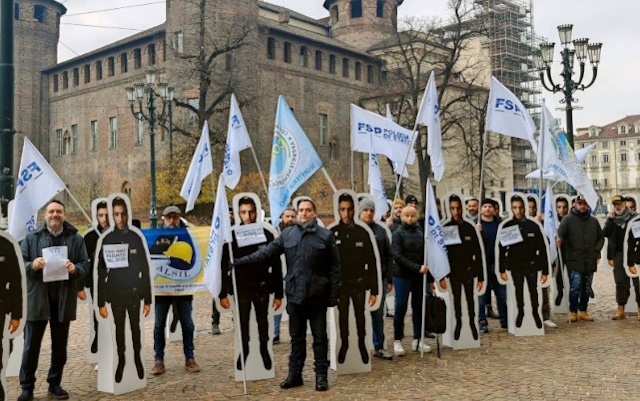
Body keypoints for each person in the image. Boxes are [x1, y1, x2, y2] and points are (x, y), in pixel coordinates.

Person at [233, 199, 340, 391]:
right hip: (295, 295)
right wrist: (240, 262)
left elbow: (334, 268)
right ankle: (295, 375)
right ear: (297, 213)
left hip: (318, 295)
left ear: (314, 213)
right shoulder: (288, 234)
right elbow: (266, 253)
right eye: (301, 210)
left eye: (308, 210)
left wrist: (333, 295)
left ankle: (321, 377)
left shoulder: (326, 236)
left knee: (319, 339)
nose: (304, 213)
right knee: (296, 338)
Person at [19, 200, 88, 401]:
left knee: (60, 345)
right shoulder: (31, 238)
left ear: (64, 215)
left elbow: (86, 263)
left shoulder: (75, 239)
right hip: (37, 299)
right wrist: (32, 265)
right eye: (51, 211)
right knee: (31, 345)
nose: (55, 214)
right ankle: (27, 387)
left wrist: (76, 269)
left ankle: (55, 383)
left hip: (63, 299)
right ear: (45, 215)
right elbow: (20, 264)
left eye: (58, 211)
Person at [219, 196, 283, 371]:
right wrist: (222, 293)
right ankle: (244, 351)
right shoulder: (230, 236)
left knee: (263, 323)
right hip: (241, 288)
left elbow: (276, 266)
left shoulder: (267, 234)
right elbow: (223, 266)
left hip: (262, 287)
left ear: (257, 212)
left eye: (251, 212)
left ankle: (264, 350)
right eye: (243, 212)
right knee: (242, 323)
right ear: (238, 214)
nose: (247, 216)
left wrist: (279, 294)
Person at [96, 197, 153, 383]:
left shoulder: (135, 238)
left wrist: (148, 299)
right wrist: (100, 302)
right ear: (113, 216)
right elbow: (100, 271)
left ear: (127, 214)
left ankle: (137, 358)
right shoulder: (107, 239)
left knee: (135, 328)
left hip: (134, 293)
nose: (120, 218)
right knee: (119, 330)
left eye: (122, 214)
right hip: (115, 294)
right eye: (116, 214)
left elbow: (145, 269)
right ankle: (121, 361)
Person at [152, 206, 200, 375]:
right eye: (168, 218)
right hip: (162, 290)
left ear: (179, 218)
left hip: (183, 287)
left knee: (187, 324)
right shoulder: (157, 235)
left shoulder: (188, 235)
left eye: (175, 217)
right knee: (159, 325)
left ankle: (190, 357)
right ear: (163, 219)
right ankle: (159, 360)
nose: (172, 221)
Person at [331, 194, 379, 365]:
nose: (346, 213)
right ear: (338, 210)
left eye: (349, 209)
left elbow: (372, 263)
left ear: (354, 210)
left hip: (358, 284)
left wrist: (374, 291)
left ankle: (361, 345)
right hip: (341, 286)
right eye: (343, 209)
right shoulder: (332, 233)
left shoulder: (362, 233)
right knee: (342, 318)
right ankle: (344, 345)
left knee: (360, 317)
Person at [498, 196, 548, 329]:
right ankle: (520, 312)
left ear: (524, 207)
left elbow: (542, 249)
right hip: (515, 266)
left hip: (531, 265)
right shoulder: (507, 226)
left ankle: (535, 313)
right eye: (515, 207)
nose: (518, 210)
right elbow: (501, 250)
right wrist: (501, 269)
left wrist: (545, 271)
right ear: (511, 208)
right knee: (518, 291)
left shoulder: (533, 225)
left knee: (534, 291)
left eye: (520, 207)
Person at [440, 195, 484, 340]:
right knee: (457, 299)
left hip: (468, 271)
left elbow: (478, 253)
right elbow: (440, 254)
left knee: (470, 299)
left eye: (458, 208)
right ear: (449, 209)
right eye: (453, 208)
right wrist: (440, 276)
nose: (456, 211)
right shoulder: (444, 228)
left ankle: (472, 324)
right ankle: (458, 324)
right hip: (453, 272)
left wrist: (481, 276)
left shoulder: (469, 227)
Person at [557, 195, 604, 322]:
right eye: (580, 203)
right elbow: (560, 234)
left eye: (585, 203)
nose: (582, 206)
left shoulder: (593, 221)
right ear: (575, 204)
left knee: (586, 288)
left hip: (589, 260)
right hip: (574, 260)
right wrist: (559, 240)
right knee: (575, 287)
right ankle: (573, 311)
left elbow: (601, 237)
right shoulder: (567, 219)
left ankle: (583, 310)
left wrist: (596, 250)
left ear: (588, 205)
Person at [391, 206, 431, 356]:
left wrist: (429, 276)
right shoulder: (397, 234)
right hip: (402, 275)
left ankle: (418, 339)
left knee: (418, 307)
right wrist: (416, 267)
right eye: (407, 216)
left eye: (412, 216)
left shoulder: (421, 233)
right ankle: (397, 339)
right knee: (400, 306)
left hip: (419, 276)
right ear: (402, 216)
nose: (409, 219)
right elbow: (397, 255)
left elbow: (426, 254)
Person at [359, 199, 394, 360]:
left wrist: (389, 278)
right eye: (365, 210)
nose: (369, 213)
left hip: (379, 279)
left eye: (371, 210)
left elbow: (388, 255)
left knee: (377, 314)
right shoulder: (354, 230)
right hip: (358, 280)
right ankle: (359, 347)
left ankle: (378, 346)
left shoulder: (380, 231)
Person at [80, 200, 109, 355]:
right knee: (98, 313)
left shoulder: (117, 233)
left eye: (107, 215)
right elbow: (84, 263)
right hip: (96, 283)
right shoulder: (90, 237)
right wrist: (83, 285)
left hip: (117, 282)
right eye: (100, 215)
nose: (104, 219)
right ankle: (98, 339)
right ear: (96, 216)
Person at [604, 195, 639, 320]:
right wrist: (610, 219)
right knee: (620, 282)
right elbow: (606, 235)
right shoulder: (612, 219)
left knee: (637, 282)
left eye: (619, 204)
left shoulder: (636, 218)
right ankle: (621, 309)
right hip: (618, 254)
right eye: (615, 204)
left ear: (624, 204)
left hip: (634, 255)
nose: (617, 206)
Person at [0, 231, 24, 401]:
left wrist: (16, 315)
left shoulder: (5, 245)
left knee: (2, 351)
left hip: (1, 309)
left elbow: (16, 281)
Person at [477, 199, 507, 333]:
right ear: (481, 209)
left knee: (501, 294)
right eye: (485, 206)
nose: (487, 209)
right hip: (482, 264)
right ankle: (482, 320)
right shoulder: (476, 225)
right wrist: (476, 232)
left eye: (490, 206)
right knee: (481, 294)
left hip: (497, 264)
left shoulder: (500, 224)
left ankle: (505, 320)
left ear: (494, 209)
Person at [527, 196, 556, 328]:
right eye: (529, 207)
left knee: (545, 289)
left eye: (534, 207)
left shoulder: (544, 222)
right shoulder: (518, 223)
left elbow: (547, 242)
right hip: (525, 263)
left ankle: (545, 315)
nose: (531, 210)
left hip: (541, 261)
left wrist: (538, 226)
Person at [274, 207, 297, 344]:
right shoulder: (275, 233)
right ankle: (275, 332)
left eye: (292, 216)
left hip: (295, 277)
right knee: (277, 305)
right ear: (282, 217)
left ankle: (295, 332)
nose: (290, 219)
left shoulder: (300, 233)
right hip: (279, 275)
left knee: (294, 307)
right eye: (287, 216)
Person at [554, 196, 570, 306]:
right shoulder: (552, 220)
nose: (562, 210)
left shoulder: (571, 219)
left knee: (572, 274)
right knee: (558, 274)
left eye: (564, 207)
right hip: (558, 250)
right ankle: (560, 292)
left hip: (570, 250)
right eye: (559, 207)